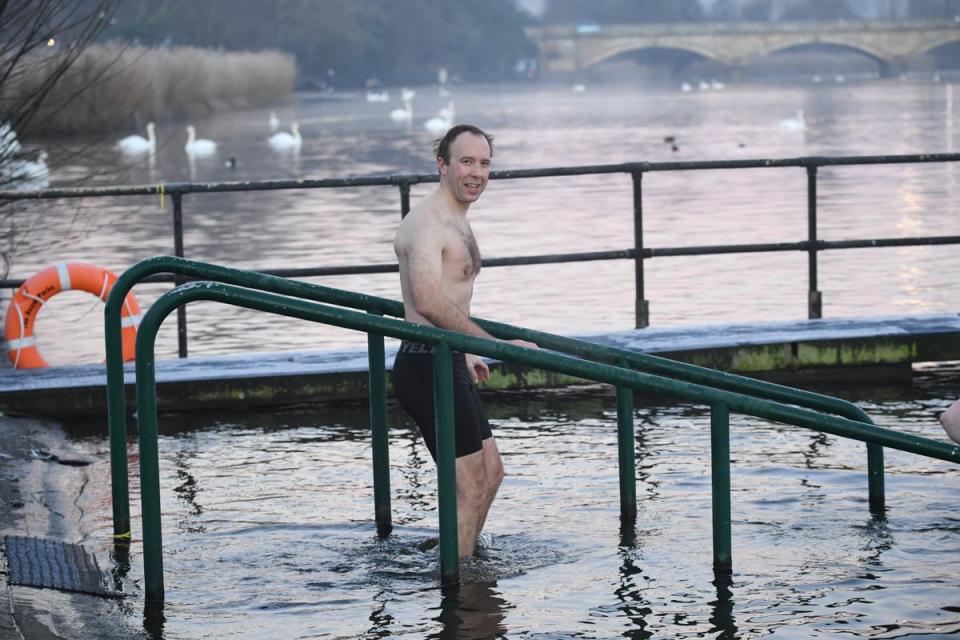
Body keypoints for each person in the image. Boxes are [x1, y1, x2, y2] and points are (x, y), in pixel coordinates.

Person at [391, 124, 537, 559]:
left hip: (448, 356)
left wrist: (468, 348)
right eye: (467, 162)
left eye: (485, 163)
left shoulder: (457, 218)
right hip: (425, 364)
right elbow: (429, 301)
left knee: (490, 474)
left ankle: (461, 556)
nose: (477, 172)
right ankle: (454, 585)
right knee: (469, 482)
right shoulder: (427, 223)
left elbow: (452, 298)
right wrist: (494, 345)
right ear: (443, 164)